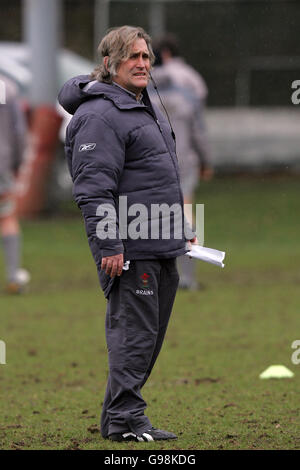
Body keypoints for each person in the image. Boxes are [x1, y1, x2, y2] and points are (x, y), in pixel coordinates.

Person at [58, 25, 196, 442]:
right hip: (130, 248)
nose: (142, 63)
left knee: (146, 339)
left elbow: (154, 180)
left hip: (159, 242)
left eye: (146, 56)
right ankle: (125, 421)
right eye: (132, 56)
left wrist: (181, 230)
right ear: (109, 63)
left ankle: (120, 418)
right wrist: (109, 244)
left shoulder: (139, 104)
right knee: (134, 339)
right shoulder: (100, 114)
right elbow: (93, 188)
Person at [150, 34, 213, 290]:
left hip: (154, 162)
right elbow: (199, 126)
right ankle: (187, 276)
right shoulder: (190, 84)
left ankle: (158, 276)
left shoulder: (145, 92)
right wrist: (207, 160)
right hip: (184, 159)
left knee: (154, 217)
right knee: (186, 214)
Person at [0, 74, 30, 294]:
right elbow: (18, 131)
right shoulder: (5, 87)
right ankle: (13, 277)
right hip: (1, 163)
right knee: (6, 217)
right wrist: (18, 162)